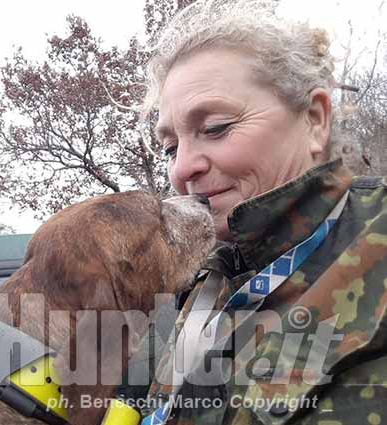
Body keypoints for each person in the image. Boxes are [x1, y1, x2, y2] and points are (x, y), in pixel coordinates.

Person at [118, 1, 387, 424]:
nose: (182, 168)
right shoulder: (196, 281)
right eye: (170, 147)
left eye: (215, 128)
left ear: (315, 120)